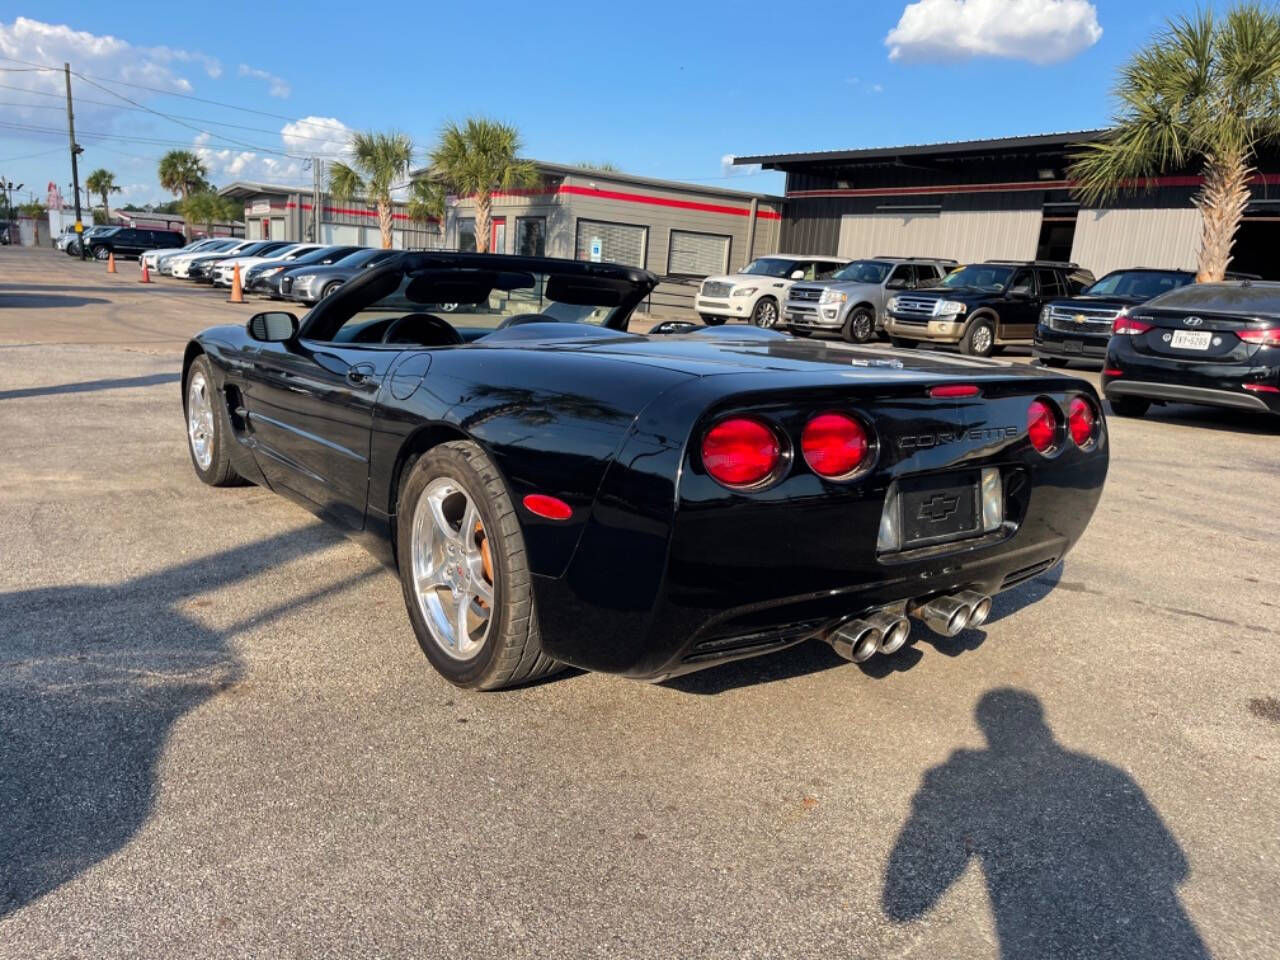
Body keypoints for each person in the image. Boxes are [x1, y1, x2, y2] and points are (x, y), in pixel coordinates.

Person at [883, 688, 1208, 959]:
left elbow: (1175, 867)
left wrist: (905, 900)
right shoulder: (1103, 772)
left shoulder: (959, 774)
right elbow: (1176, 867)